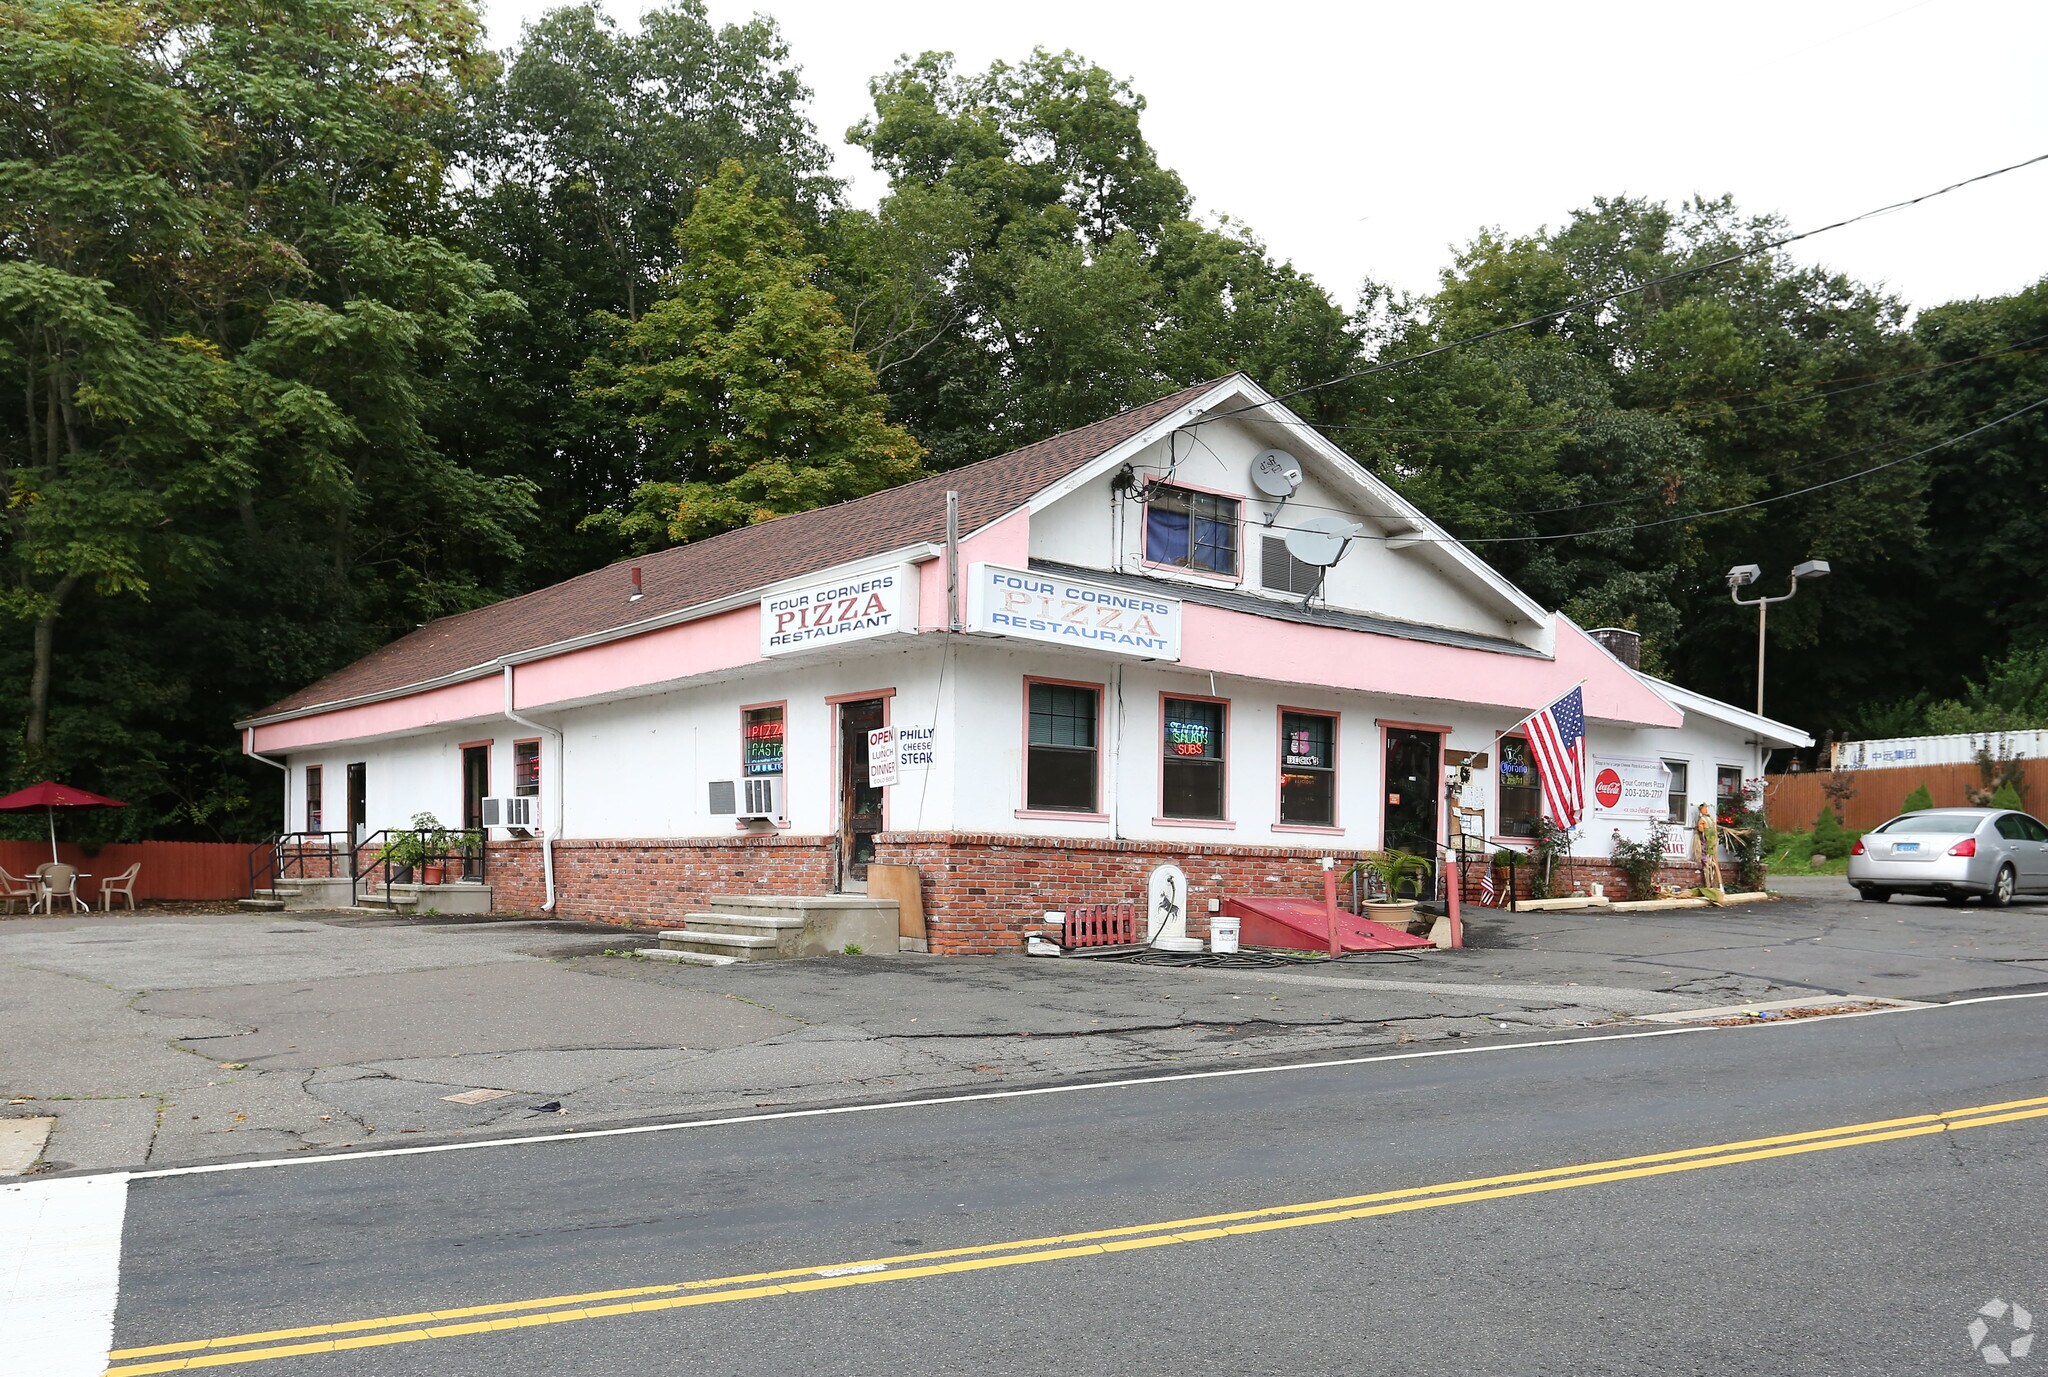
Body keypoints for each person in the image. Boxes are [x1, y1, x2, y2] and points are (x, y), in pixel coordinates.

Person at [1694, 803, 1724, 892]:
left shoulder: (1710, 818)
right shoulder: (1702, 819)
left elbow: (1713, 827)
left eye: (1706, 808)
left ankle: (1714, 884)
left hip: (1711, 842)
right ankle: (1708, 884)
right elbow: (1701, 829)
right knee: (1706, 860)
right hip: (1706, 840)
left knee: (1711, 859)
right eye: (1704, 809)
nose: (1706, 810)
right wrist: (1705, 831)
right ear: (1701, 810)